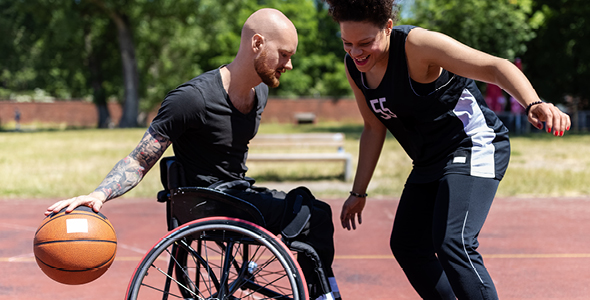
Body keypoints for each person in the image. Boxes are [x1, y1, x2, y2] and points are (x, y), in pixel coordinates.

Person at [45, 8, 340, 300]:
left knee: (318, 211)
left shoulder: (260, 91)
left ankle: (322, 292)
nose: (289, 65)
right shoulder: (192, 99)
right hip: (209, 203)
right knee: (312, 216)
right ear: (257, 43)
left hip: (238, 194)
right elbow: (139, 159)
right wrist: (98, 195)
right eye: (285, 54)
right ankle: (324, 296)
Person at [322, 0, 570, 299]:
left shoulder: (417, 45)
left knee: (454, 242)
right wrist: (358, 192)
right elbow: (374, 127)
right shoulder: (355, 67)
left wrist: (533, 102)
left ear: (388, 28)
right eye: (347, 43)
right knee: (408, 246)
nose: (355, 52)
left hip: (474, 143)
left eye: (365, 42)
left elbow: (495, 67)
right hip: (429, 160)